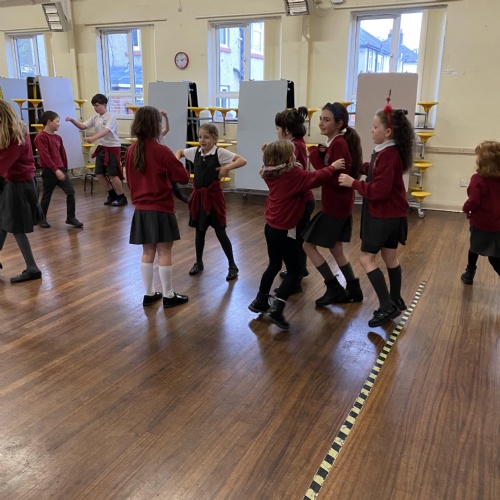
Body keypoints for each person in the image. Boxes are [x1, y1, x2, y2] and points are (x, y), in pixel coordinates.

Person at [248, 140, 345, 330]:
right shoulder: (293, 175)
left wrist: (268, 153)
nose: (295, 156)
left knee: (274, 264)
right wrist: (333, 167)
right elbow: (316, 177)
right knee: (295, 271)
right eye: (292, 154)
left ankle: (260, 300)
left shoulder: (269, 172)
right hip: (284, 231)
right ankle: (277, 309)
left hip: (271, 228)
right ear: (286, 160)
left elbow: (280, 164)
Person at [339, 102, 414, 327]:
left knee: (366, 258)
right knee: (390, 257)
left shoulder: (388, 155)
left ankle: (386, 306)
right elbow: (376, 171)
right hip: (393, 216)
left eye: (374, 127)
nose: (371, 130)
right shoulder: (388, 151)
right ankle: (396, 299)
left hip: (383, 216)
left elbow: (380, 190)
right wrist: (360, 168)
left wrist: (353, 183)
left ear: (388, 132)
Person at [124, 106, 190, 308]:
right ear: (156, 125)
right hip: (161, 208)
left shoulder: (131, 150)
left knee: (147, 252)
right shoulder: (161, 150)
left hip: (141, 209)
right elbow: (183, 177)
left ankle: (149, 293)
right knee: (164, 252)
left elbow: (130, 180)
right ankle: (169, 295)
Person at [303, 102, 363, 306]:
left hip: (335, 206)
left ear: (339, 124)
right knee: (336, 249)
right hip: (339, 205)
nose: (321, 123)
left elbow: (334, 178)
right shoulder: (336, 143)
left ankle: (333, 287)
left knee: (307, 245)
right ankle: (353, 288)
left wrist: (314, 156)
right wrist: (323, 153)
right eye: (320, 119)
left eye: (326, 120)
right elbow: (333, 168)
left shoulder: (339, 144)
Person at [175, 124, 246, 281]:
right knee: (199, 232)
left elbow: (242, 160)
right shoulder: (195, 152)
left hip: (214, 199)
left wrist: (227, 167)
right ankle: (198, 262)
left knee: (220, 232)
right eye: (200, 137)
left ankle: (232, 265)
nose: (202, 140)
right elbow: (180, 152)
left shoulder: (219, 152)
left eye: (206, 137)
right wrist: (176, 161)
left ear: (215, 139)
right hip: (199, 199)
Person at [0, 99, 42, 283]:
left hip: (19, 185)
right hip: (16, 183)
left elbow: (2, 163)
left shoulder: (15, 136)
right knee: (3, 221)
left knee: (16, 227)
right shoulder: (14, 132)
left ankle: (32, 268)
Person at [274, 107, 314, 291]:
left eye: (278, 128)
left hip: (300, 201)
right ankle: (300, 270)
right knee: (297, 238)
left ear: (287, 130)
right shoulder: (296, 143)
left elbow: (288, 171)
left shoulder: (294, 146)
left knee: (296, 240)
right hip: (302, 199)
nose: (277, 132)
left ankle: (295, 279)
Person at [66, 93, 127, 207]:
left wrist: (93, 138)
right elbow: (83, 126)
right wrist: (72, 120)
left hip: (112, 147)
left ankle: (122, 197)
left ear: (104, 105)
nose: (95, 108)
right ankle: (112, 194)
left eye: (97, 105)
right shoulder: (95, 117)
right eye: (94, 106)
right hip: (102, 147)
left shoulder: (111, 117)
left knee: (112, 174)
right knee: (98, 173)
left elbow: (106, 131)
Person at [34, 110, 83, 229]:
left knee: (70, 192)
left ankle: (71, 218)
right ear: (49, 122)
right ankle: (42, 218)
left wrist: (64, 168)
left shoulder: (58, 138)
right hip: (49, 171)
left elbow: (62, 154)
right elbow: (45, 156)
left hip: (60, 170)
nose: (59, 124)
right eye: (57, 121)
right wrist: (55, 170)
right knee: (47, 195)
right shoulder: (40, 137)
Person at [460, 140, 500, 284]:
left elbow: (474, 201)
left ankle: (469, 273)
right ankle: (469, 272)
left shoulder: (478, 179)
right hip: (497, 224)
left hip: (481, 224)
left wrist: (466, 208)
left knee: (475, 248)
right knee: (496, 253)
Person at [159, 110, 189, 204]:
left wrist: (166, 117)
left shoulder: (160, 135)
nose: (160, 126)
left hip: (164, 160)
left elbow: (167, 129)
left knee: (172, 181)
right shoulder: (154, 137)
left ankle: (180, 196)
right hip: (160, 161)